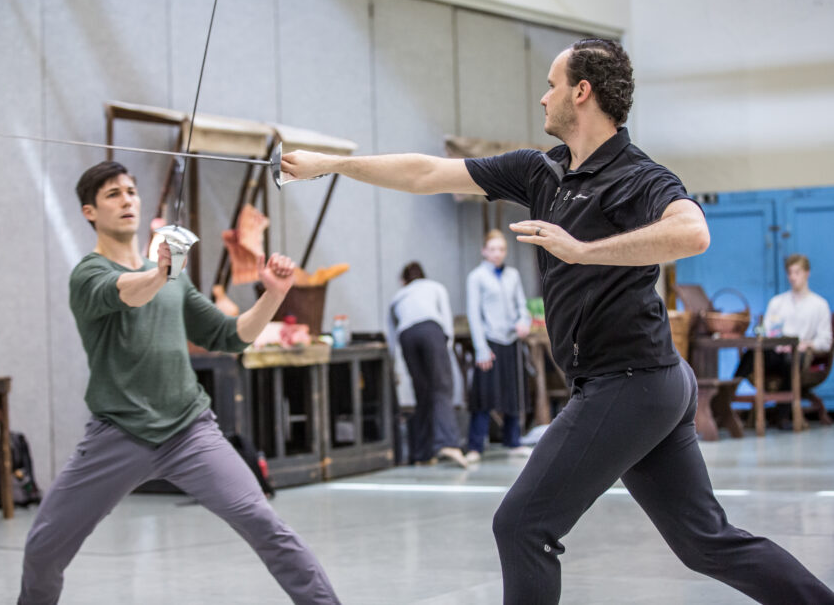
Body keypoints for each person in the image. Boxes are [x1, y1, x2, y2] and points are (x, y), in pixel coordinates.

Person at [282, 38, 834, 604]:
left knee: (522, 525)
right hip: (646, 385)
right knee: (706, 542)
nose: (542, 97)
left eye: (551, 84)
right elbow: (426, 172)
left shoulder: (639, 177)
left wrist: (583, 250)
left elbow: (693, 232)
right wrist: (332, 165)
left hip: (631, 382)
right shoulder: (538, 172)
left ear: (582, 91)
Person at [18, 161, 339, 605]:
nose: (127, 199)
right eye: (113, 194)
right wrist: (158, 274)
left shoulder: (171, 279)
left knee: (265, 524)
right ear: (90, 211)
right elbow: (126, 292)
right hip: (118, 434)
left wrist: (273, 295)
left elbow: (231, 337)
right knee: (42, 551)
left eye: (131, 190)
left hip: (190, 431)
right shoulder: (88, 275)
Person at [735, 253, 832, 424]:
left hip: (800, 355)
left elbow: (825, 342)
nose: (793, 277)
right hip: (775, 353)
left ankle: (783, 416)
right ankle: (727, 397)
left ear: (806, 273)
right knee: (752, 354)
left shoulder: (819, 305)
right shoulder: (777, 302)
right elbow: (766, 332)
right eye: (790, 273)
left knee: (792, 359)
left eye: (797, 272)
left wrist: (806, 345)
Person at [387, 262, 467, 468]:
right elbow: (446, 320)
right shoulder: (435, 287)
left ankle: (421, 453)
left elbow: (392, 336)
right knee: (442, 387)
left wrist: (394, 366)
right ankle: (448, 442)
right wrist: (446, 345)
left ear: (403, 281)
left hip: (406, 336)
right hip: (431, 330)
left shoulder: (397, 297)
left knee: (422, 393)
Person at [465, 230, 532, 462]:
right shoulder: (476, 277)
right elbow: (474, 314)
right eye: (492, 249)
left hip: (511, 340)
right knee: (484, 394)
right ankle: (475, 445)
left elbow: (521, 305)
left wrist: (524, 322)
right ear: (484, 251)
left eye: (501, 249)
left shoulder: (513, 275)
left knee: (513, 392)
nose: (497, 254)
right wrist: (480, 347)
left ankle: (513, 441)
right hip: (490, 341)